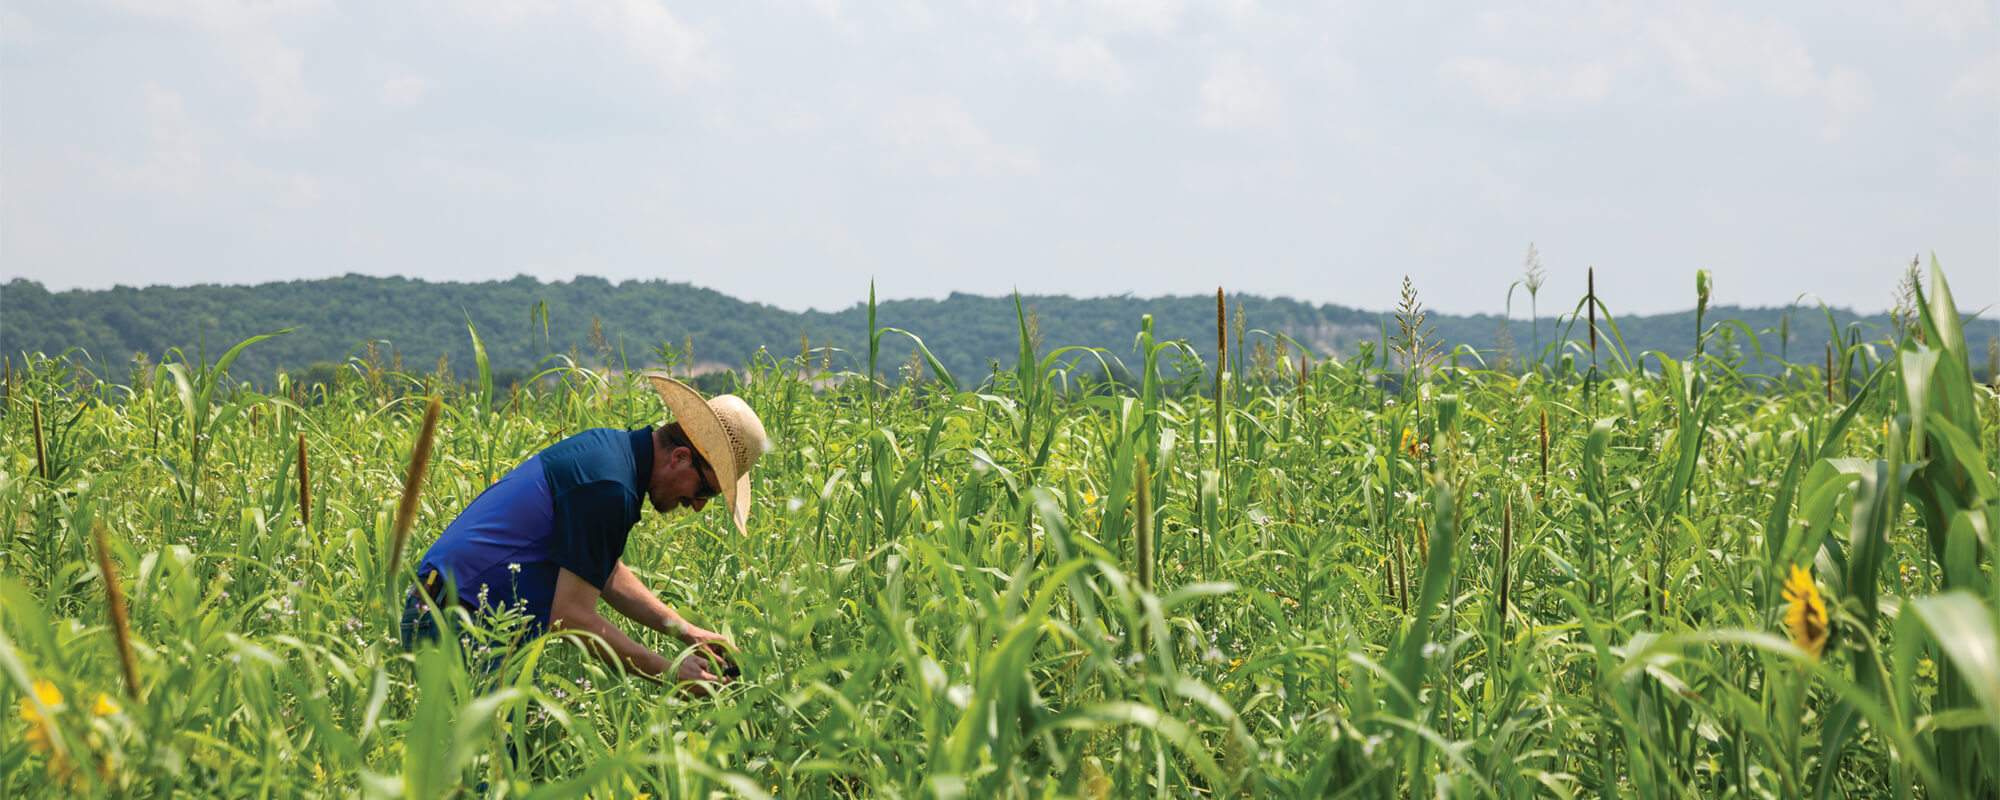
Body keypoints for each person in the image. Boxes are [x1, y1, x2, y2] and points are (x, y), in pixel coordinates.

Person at [401, 373, 769, 696]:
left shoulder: (612, 454)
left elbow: (601, 569)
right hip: (456, 626)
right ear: (681, 458)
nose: (699, 505)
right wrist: (670, 671)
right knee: (485, 771)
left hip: (457, 618)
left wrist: (685, 631)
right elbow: (571, 617)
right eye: (705, 491)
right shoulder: (610, 487)